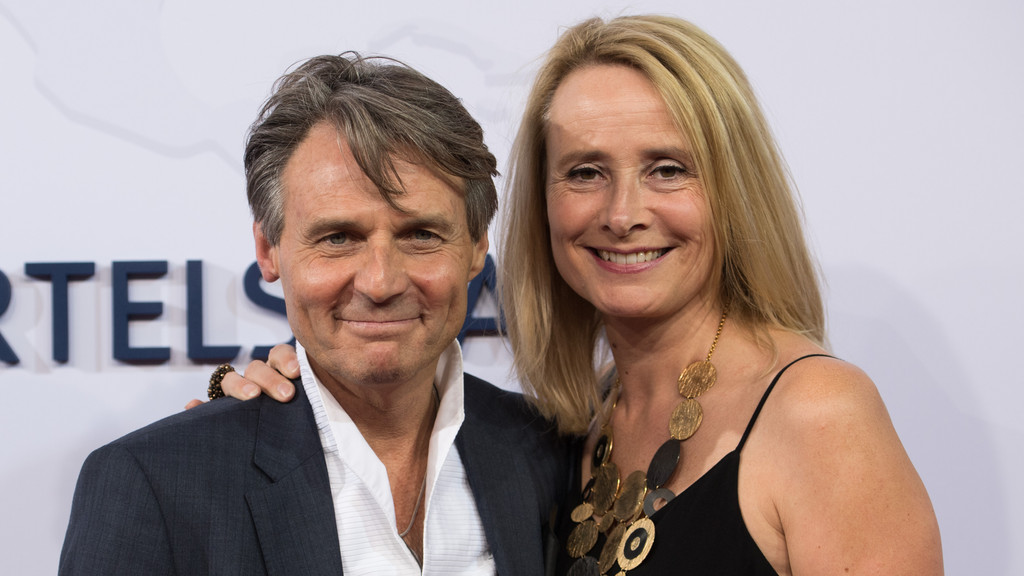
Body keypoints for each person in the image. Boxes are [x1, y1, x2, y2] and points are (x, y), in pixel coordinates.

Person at [217, 15, 944, 575]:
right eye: (586, 172)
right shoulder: (567, 434)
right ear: (542, 202)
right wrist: (270, 412)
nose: (622, 214)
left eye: (667, 169)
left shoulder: (817, 416)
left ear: (732, 190)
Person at [59, 52, 567, 576]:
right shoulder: (155, 484)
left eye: (421, 234)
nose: (381, 282)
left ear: (478, 245)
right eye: (338, 238)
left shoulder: (550, 453)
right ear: (268, 250)